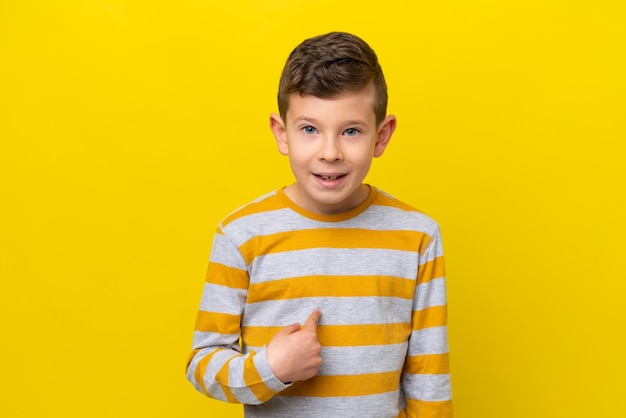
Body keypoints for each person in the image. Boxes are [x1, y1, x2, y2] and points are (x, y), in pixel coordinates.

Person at [186, 31, 453, 418]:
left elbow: (430, 375)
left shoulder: (418, 236)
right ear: (282, 134)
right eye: (310, 129)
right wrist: (270, 369)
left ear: (381, 136)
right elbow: (202, 364)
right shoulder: (242, 234)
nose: (330, 153)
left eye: (351, 131)